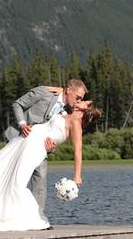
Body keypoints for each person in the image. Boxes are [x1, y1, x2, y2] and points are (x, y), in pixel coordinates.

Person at [0, 100, 102, 231]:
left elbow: (78, 151)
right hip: (25, 140)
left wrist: (77, 176)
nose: (81, 100)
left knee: (17, 182)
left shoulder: (76, 125)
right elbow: (60, 94)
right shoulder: (66, 113)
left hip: (36, 148)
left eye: (85, 101)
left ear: (87, 109)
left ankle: (33, 220)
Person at [7, 79, 88, 221]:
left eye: (81, 99)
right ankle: (6, 214)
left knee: (40, 179)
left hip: (39, 148)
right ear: (68, 90)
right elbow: (17, 104)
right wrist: (22, 124)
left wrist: (51, 147)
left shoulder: (67, 110)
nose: (78, 101)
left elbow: (55, 132)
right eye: (78, 97)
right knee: (10, 178)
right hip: (18, 138)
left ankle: (38, 219)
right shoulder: (44, 92)